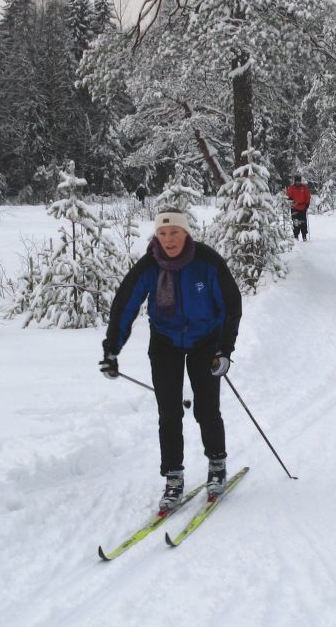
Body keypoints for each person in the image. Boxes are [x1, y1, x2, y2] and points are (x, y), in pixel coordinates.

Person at [99, 209, 243, 511]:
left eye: (174, 233)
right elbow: (125, 304)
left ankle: (217, 466)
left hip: (205, 341)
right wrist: (112, 349)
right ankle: (173, 478)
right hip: (165, 341)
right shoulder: (150, 264)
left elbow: (231, 305)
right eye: (162, 234)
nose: (168, 240)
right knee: (169, 411)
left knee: (206, 408)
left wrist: (224, 350)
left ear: (186, 233)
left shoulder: (206, 261)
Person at [285, 174, 312, 241]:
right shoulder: (292, 187)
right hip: (294, 207)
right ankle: (296, 236)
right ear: (295, 181)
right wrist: (289, 199)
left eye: (299, 181)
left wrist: (307, 203)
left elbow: (308, 196)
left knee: (303, 222)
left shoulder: (304, 187)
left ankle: (304, 236)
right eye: (297, 181)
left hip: (303, 207)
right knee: (295, 223)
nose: (298, 182)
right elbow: (288, 195)